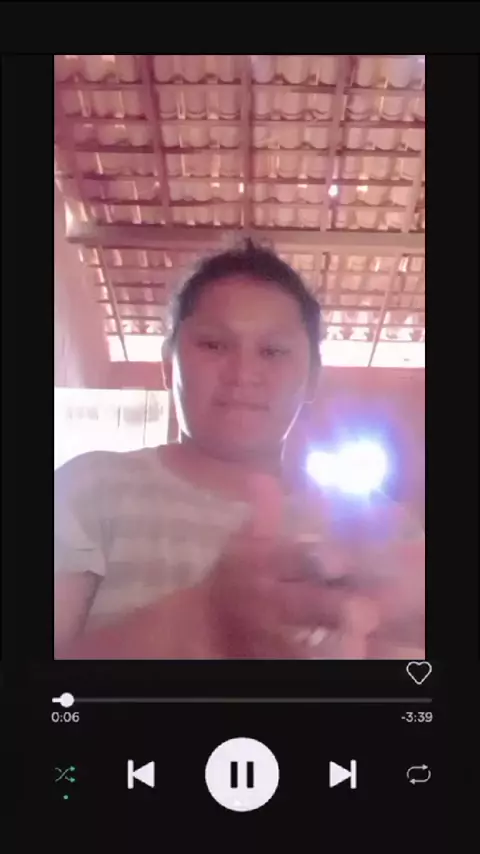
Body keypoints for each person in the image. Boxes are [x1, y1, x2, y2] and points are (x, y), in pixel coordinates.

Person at [54, 239, 425, 660]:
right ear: (168, 363)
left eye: (273, 351)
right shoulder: (87, 488)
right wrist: (200, 622)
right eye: (214, 345)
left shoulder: (379, 529)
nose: (244, 373)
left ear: (312, 378)